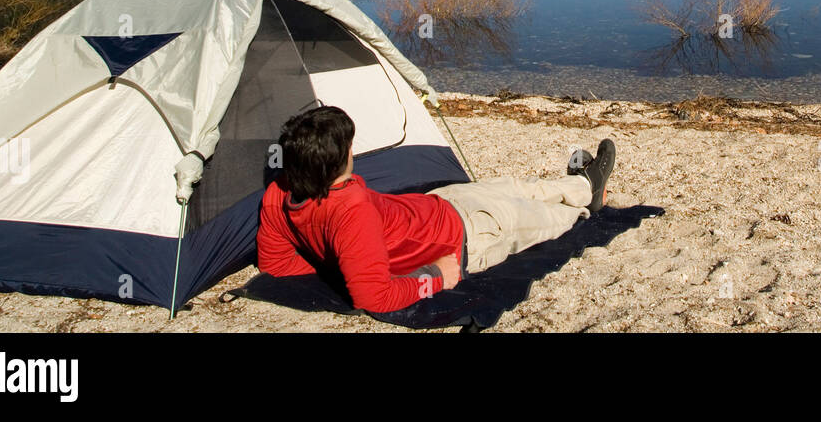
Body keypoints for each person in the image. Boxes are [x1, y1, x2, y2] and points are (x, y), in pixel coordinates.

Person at [256, 105, 616, 313]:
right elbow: (375, 297)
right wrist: (437, 279)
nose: (353, 151)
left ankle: (583, 184)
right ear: (338, 162)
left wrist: (338, 257)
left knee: (517, 188)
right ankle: (587, 197)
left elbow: (277, 264)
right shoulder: (351, 214)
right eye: (349, 147)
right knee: (548, 219)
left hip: (442, 203)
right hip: (469, 237)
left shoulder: (278, 193)